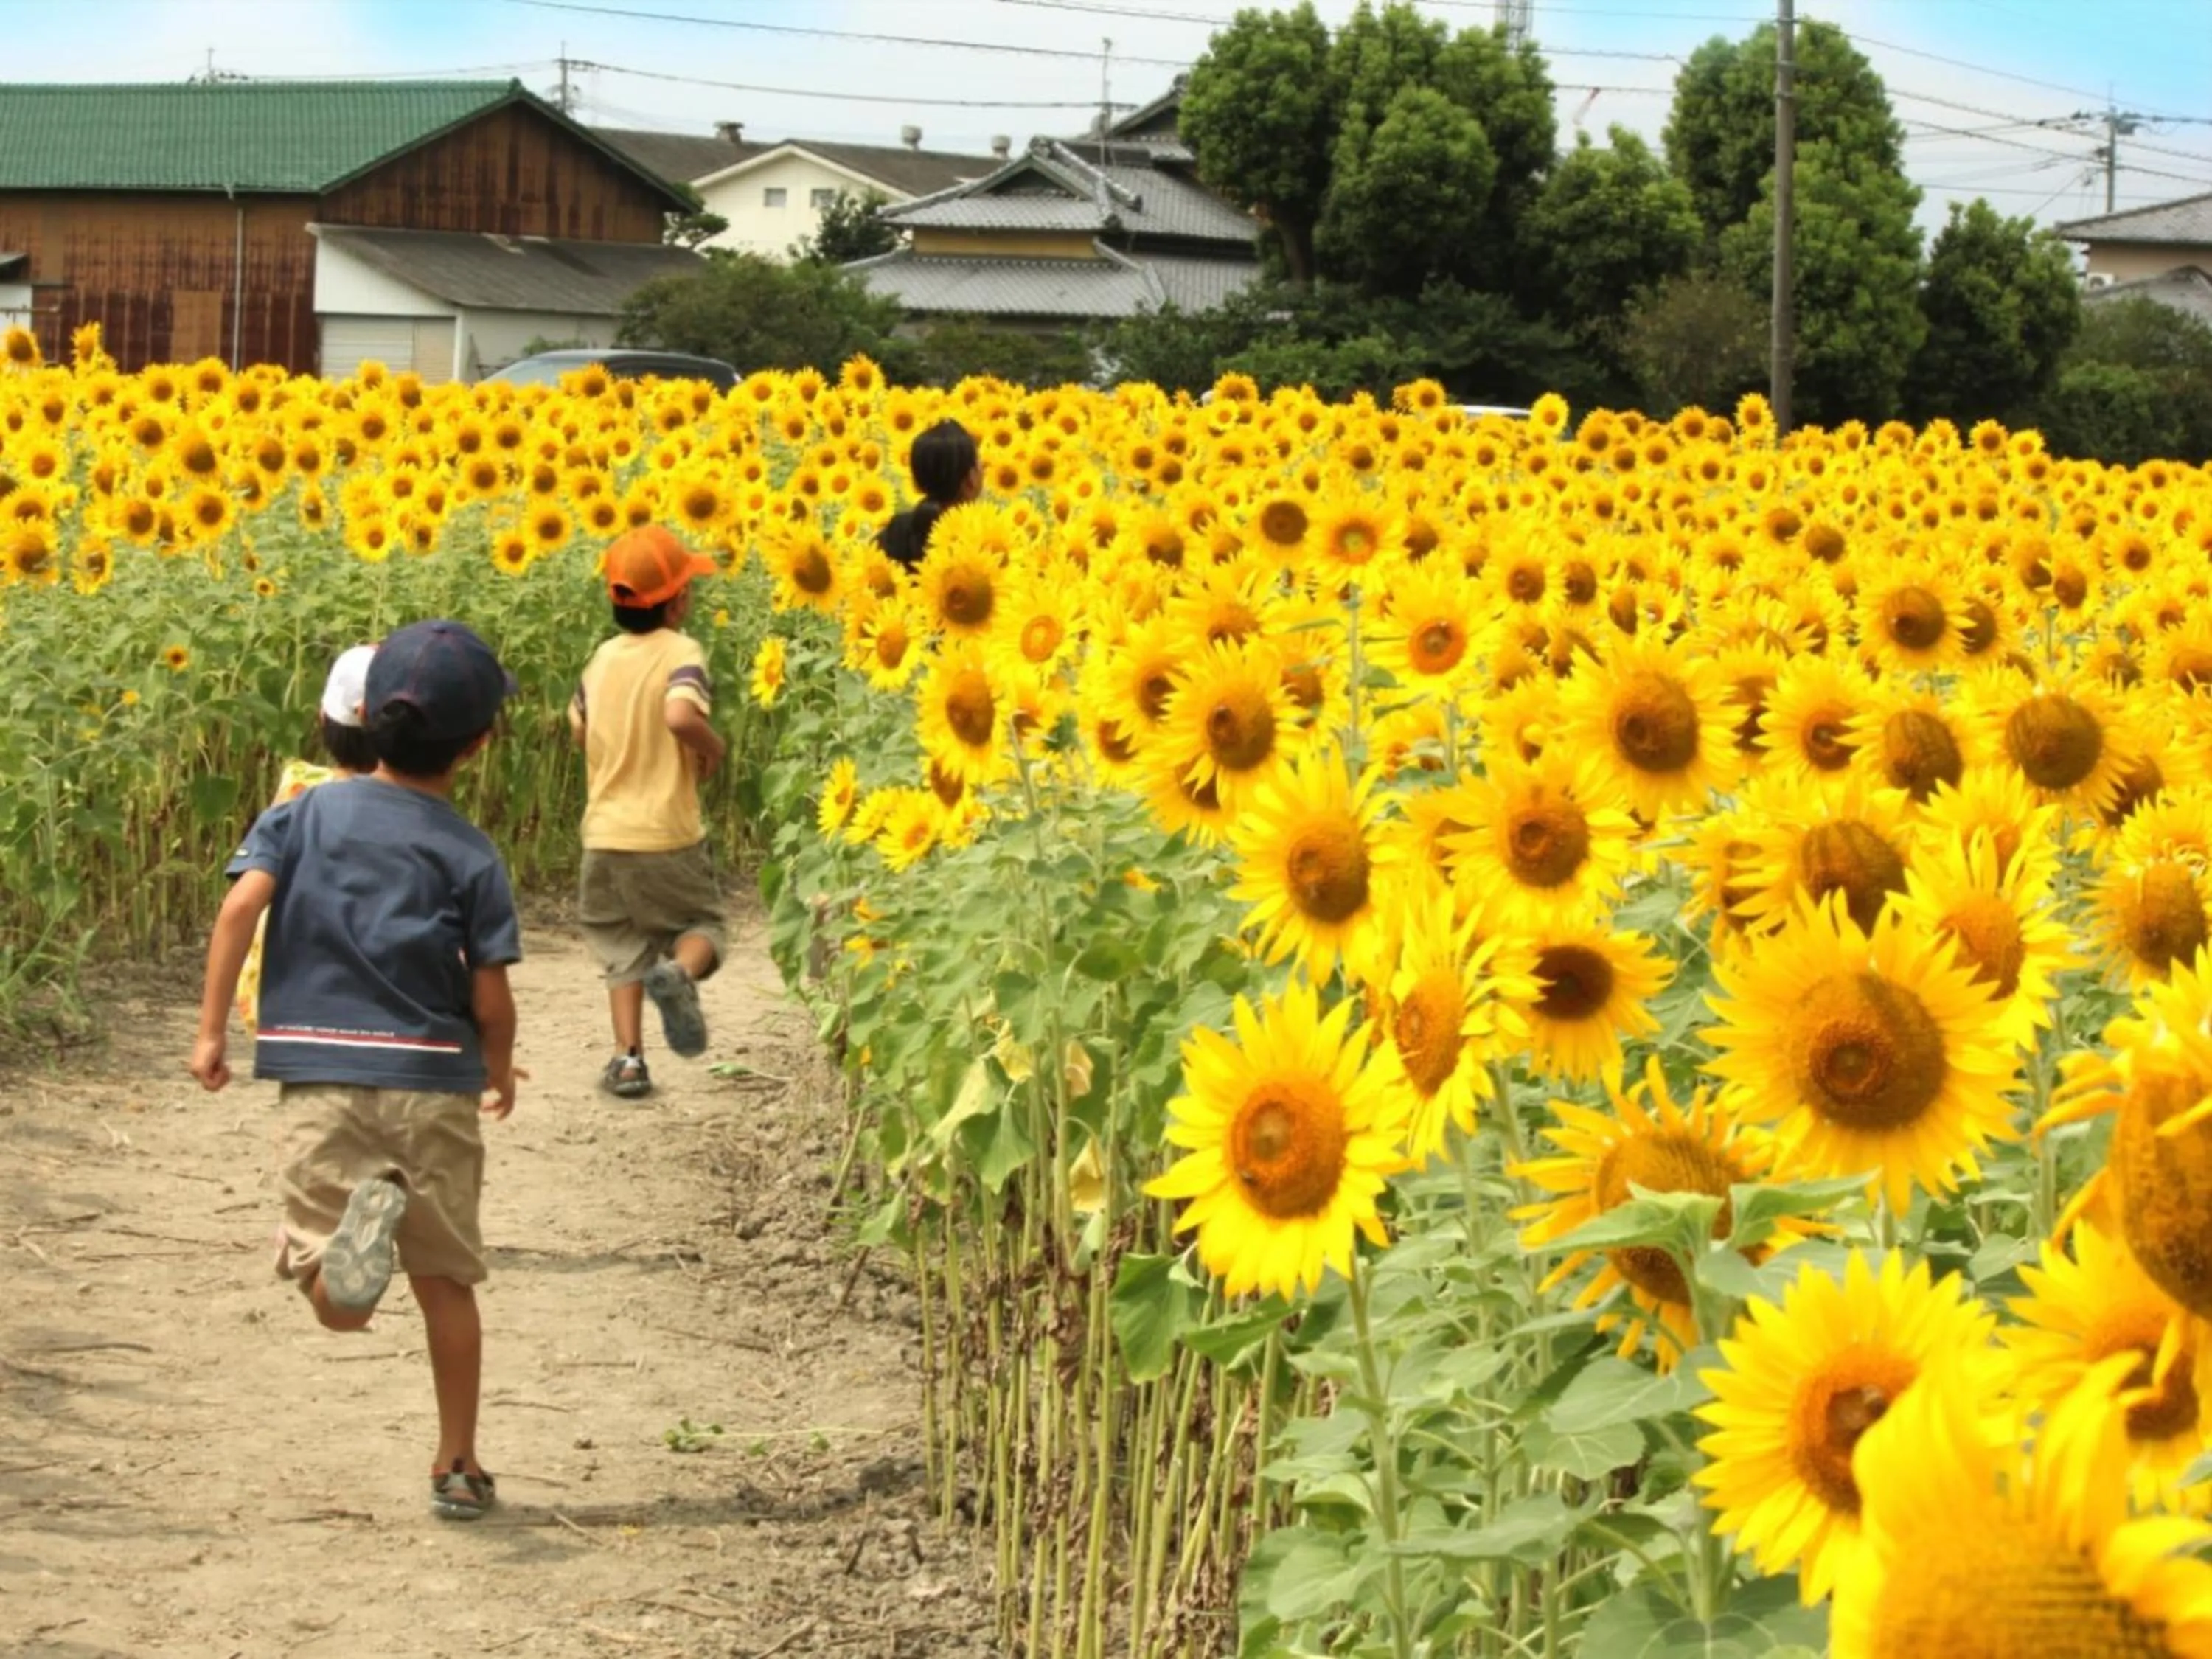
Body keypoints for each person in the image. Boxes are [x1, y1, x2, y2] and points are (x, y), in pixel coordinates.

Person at [189, 619, 524, 1524]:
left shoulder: (298, 815)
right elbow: (490, 996)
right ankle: (458, 1463)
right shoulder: (470, 853)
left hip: (321, 1077)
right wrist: (498, 1068)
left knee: (339, 1303)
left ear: (360, 718)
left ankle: (337, 1273)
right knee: (445, 1285)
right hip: (432, 1078)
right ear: (481, 743)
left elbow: (237, 910)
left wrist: (213, 1030)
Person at [570, 524, 727, 1099]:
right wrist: (712, 747)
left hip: (605, 834)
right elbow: (681, 715)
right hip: (667, 833)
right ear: (679, 600)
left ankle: (629, 1061)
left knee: (621, 947)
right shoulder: (682, 653)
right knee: (703, 927)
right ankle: (680, 975)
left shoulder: (601, 661)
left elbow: (578, 726)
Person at [234, 644, 380, 1035]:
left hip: (294, 1004)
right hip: (386, 1015)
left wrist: (211, 1028)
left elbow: (241, 906)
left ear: (320, 719)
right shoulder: (419, 815)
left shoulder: (297, 800)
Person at [877, 418, 981, 571]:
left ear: (916, 483)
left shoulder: (895, 531)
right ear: (971, 479)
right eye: (980, 464)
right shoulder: (979, 538)